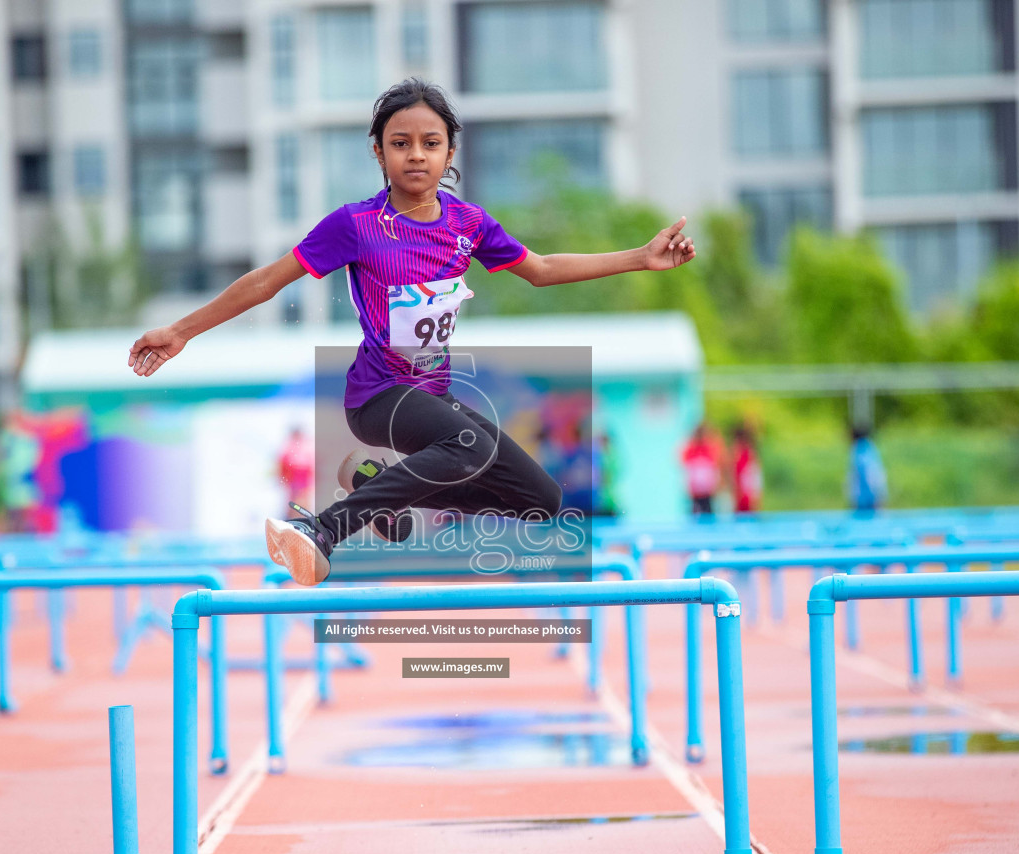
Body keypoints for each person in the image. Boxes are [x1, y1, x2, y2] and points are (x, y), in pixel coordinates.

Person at [127, 78, 697, 584]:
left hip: (434, 396)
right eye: (401, 144)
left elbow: (541, 270)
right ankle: (324, 530)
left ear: (450, 151)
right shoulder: (356, 225)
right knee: (468, 443)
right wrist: (182, 330)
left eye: (430, 144)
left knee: (540, 500)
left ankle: (373, 483)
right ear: (379, 152)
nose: (416, 156)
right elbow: (266, 282)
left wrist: (639, 257)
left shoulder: (469, 224)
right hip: (377, 396)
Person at [680, 423, 723, 517]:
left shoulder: (709, 448)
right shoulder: (691, 449)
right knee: (694, 514)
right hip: (695, 492)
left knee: (708, 514)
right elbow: (685, 467)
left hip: (707, 491)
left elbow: (714, 468)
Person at [847, 424, 888, 516]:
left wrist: (876, 496)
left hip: (866, 498)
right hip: (870, 495)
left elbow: (868, 475)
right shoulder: (870, 448)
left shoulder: (860, 451)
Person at [276, 427, 315, 514]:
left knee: (301, 506)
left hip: (302, 483)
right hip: (295, 483)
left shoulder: (307, 448)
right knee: (295, 507)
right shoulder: (288, 450)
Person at [731, 423, 762, 515]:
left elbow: (754, 476)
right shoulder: (737, 456)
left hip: (747, 495)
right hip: (740, 495)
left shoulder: (749, 455)